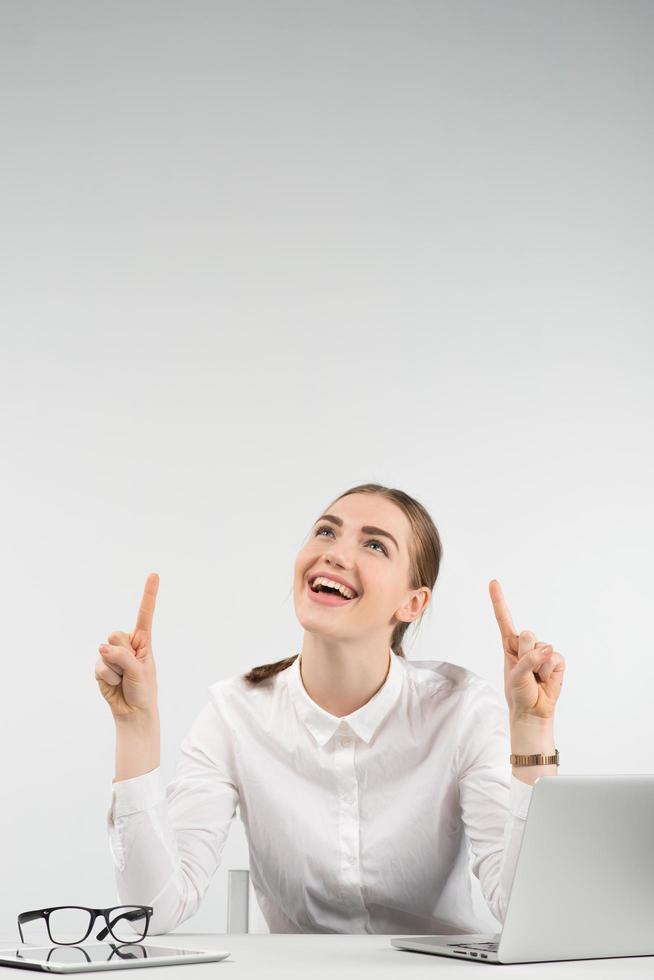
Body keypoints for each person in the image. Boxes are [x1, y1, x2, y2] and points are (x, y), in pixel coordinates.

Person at [96, 482, 565, 935]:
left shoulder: (460, 709)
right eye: (326, 531)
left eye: (375, 546)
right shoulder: (234, 713)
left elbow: (529, 912)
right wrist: (134, 724)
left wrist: (532, 727)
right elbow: (152, 913)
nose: (336, 553)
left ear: (413, 602)